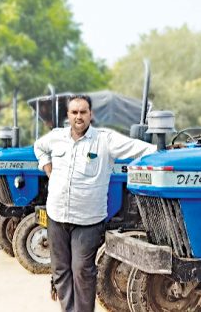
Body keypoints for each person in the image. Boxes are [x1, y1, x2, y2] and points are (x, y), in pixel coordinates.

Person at [34, 95, 155, 312]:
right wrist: (48, 168)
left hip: (87, 220)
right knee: (61, 270)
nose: (78, 116)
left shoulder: (105, 140)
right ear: (68, 115)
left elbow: (140, 148)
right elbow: (38, 147)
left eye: (83, 112)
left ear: (91, 114)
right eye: (74, 112)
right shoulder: (56, 137)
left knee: (82, 269)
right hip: (57, 215)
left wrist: (167, 150)